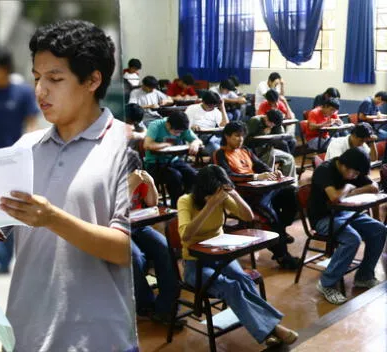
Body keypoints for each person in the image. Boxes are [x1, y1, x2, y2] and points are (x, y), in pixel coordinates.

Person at [0, 20, 138, 351]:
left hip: (100, 339)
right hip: (28, 335)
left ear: (93, 79)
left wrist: (52, 219)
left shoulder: (126, 143)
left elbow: (123, 250)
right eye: (36, 78)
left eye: (55, 79)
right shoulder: (25, 149)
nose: (40, 91)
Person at [178, 165, 299, 347]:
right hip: (196, 264)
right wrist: (209, 206)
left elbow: (248, 216)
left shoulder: (221, 197)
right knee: (231, 287)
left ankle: (267, 330)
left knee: (243, 279)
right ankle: (273, 329)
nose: (219, 196)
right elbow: (186, 235)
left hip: (220, 254)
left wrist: (233, 194)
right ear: (204, 189)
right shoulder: (185, 201)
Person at [0, 46, 40, 274]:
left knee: (12, 208)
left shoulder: (22, 92)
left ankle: (11, 257)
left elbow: (32, 122)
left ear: (5, 68)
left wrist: (29, 151)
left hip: (15, 159)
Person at [214, 122, 299, 269]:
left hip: (262, 190)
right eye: (236, 136)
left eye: (242, 136)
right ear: (227, 137)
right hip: (244, 196)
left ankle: (281, 231)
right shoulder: (220, 154)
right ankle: (282, 256)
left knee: (291, 193)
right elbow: (228, 176)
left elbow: (260, 165)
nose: (240, 139)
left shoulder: (246, 150)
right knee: (270, 217)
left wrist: (272, 173)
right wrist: (255, 177)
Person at [308, 148, 387, 304]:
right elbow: (334, 197)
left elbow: (373, 187)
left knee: (379, 230)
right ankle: (327, 283)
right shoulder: (324, 170)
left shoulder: (352, 169)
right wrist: (347, 187)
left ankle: (364, 276)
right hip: (323, 218)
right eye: (355, 174)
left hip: (345, 214)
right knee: (352, 239)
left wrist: (353, 190)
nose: (356, 177)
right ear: (344, 166)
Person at [127, 149, 179, 325]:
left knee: (165, 248)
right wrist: (129, 186)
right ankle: (145, 304)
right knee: (135, 257)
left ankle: (167, 305)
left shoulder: (139, 177)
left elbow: (152, 203)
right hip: (118, 229)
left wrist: (150, 183)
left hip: (140, 226)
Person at [143, 111, 201, 208]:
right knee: (175, 176)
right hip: (154, 163)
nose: (178, 134)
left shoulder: (182, 126)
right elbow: (147, 144)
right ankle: (177, 206)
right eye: (176, 132)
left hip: (174, 160)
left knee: (192, 174)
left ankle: (187, 202)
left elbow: (196, 140)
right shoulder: (155, 125)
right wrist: (164, 145)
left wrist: (195, 143)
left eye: (180, 132)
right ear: (168, 125)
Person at [245, 109, 297, 181]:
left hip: (268, 148)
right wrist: (263, 134)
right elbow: (247, 141)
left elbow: (280, 136)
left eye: (274, 124)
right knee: (270, 153)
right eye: (271, 123)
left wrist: (278, 128)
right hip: (255, 150)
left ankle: (290, 183)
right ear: (266, 117)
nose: (272, 126)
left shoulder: (275, 123)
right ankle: (269, 180)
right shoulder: (255, 121)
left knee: (289, 158)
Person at [185, 90, 228, 156]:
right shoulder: (192, 108)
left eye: (214, 105)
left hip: (211, 137)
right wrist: (192, 126)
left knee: (227, 143)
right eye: (209, 105)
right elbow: (184, 126)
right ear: (203, 101)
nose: (211, 108)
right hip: (197, 139)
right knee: (217, 148)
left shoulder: (215, 111)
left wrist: (222, 107)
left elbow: (226, 126)